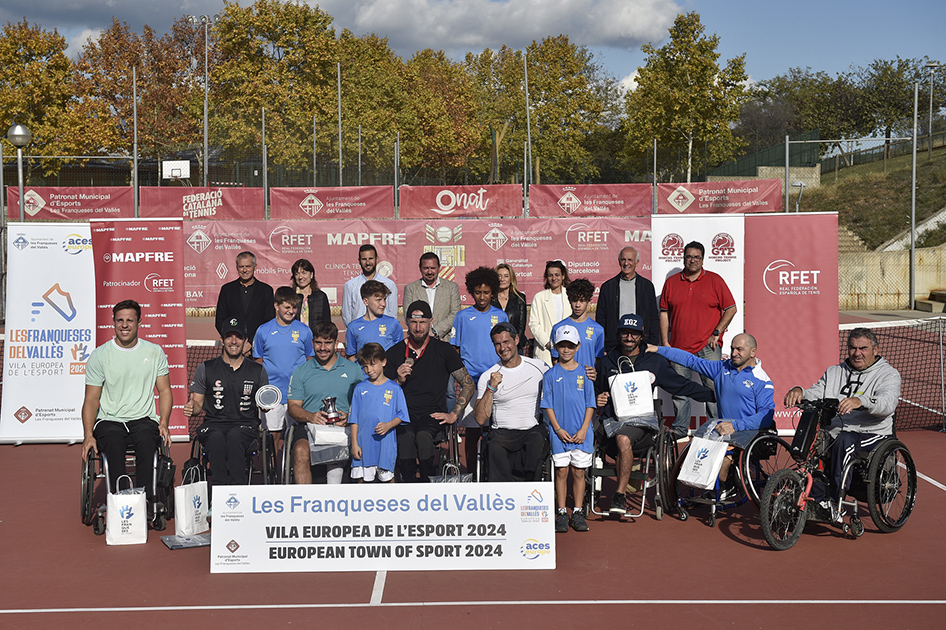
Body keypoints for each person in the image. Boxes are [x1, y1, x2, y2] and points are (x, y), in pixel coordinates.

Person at [596, 314, 715, 516]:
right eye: (625, 333)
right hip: (610, 421)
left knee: (623, 438)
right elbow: (597, 390)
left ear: (641, 336)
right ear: (619, 335)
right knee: (580, 436)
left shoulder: (654, 362)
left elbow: (681, 385)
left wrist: (715, 395)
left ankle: (619, 496)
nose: (629, 338)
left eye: (634, 334)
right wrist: (599, 397)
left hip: (639, 423)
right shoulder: (607, 361)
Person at [784, 328, 900, 513]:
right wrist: (800, 391)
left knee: (844, 440)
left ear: (875, 350)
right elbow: (817, 391)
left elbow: (887, 403)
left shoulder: (888, 374)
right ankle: (810, 493)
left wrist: (860, 401)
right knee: (812, 436)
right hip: (837, 429)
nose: (857, 353)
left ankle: (834, 502)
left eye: (863, 348)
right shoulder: (834, 372)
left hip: (872, 431)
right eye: (852, 348)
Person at [648, 332, 774, 499]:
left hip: (750, 431)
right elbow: (690, 360)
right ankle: (700, 486)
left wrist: (736, 426)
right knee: (698, 450)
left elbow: (766, 415)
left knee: (722, 456)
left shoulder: (762, 380)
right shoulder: (722, 368)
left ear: (753, 352)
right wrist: (658, 349)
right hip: (724, 430)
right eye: (732, 348)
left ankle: (725, 485)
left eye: (739, 349)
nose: (734, 353)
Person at [81, 300, 172, 518]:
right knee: (112, 441)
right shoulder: (100, 355)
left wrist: (164, 423)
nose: (124, 325)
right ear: (113, 322)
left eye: (129, 320)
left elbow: (165, 390)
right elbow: (91, 399)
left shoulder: (154, 352)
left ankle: (145, 501)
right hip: (110, 420)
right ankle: (120, 501)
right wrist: (87, 435)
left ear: (139, 322)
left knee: (147, 442)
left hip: (143, 418)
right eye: (120, 320)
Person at [385, 301, 476, 482]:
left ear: (431, 322)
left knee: (423, 436)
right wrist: (398, 381)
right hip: (404, 414)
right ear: (407, 322)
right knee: (406, 436)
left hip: (433, 414)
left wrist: (453, 415)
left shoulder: (443, 350)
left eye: (423, 322)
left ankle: (429, 486)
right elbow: (382, 391)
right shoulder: (394, 353)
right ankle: (408, 485)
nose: (418, 328)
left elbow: (468, 384)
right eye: (414, 322)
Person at [659, 241, 737, 437]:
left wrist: (717, 332)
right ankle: (680, 429)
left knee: (713, 389)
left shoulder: (715, 280)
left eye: (697, 257)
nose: (692, 260)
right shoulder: (672, 282)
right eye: (689, 256)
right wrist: (665, 343)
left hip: (707, 346)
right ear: (683, 258)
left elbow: (731, 308)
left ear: (703, 259)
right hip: (679, 347)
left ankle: (716, 427)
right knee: (679, 391)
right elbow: (663, 312)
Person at [184, 319, 268, 485]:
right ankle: (218, 491)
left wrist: (266, 406)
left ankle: (238, 490)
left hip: (245, 425)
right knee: (215, 437)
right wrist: (192, 408)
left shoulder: (257, 370)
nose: (234, 341)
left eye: (238, 337)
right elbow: (198, 404)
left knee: (234, 436)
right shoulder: (205, 368)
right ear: (222, 340)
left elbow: (264, 402)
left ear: (245, 341)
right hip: (214, 424)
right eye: (229, 337)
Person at [287, 322, 364, 484]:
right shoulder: (301, 371)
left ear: (336, 343)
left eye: (328, 343)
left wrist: (350, 417)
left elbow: (364, 403)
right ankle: (305, 502)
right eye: (318, 343)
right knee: (300, 449)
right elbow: (293, 407)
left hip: (346, 426)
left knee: (367, 441)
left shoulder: (353, 370)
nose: (323, 348)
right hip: (309, 425)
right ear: (313, 343)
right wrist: (310, 416)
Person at [451, 266, 509, 479]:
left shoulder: (501, 315)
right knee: (473, 430)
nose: (482, 297)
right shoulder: (462, 316)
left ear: (493, 292)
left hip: (495, 381)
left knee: (495, 430)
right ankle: (470, 475)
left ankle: (491, 473)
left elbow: (508, 348)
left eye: (486, 292)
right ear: (471, 292)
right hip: (471, 382)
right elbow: (455, 350)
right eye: (478, 292)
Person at [474, 322, 549, 482]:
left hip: (531, 430)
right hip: (502, 433)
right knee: (494, 448)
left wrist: (586, 375)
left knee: (537, 442)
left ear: (516, 340)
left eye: (506, 342)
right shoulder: (488, 375)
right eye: (497, 344)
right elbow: (480, 419)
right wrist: (490, 389)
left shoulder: (539, 367)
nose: (502, 348)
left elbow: (562, 381)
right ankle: (502, 498)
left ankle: (532, 494)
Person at [542, 325, 595, 533]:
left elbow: (590, 404)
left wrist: (583, 430)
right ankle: (562, 511)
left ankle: (579, 511)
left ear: (578, 346)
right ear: (555, 347)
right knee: (562, 471)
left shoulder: (586, 374)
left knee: (579, 472)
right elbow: (547, 405)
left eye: (570, 346)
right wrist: (558, 429)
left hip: (582, 433)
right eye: (562, 346)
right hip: (559, 434)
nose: (566, 350)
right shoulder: (550, 375)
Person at [253, 287, 314, 434]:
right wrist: (263, 389)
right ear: (276, 306)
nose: (291, 311)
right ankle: (274, 458)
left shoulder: (304, 330)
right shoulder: (263, 330)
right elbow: (258, 361)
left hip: (297, 394)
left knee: (298, 435)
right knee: (273, 435)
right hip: (272, 393)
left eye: (294, 307)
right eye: (287, 307)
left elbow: (310, 359)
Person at [349, 343, 409, 483]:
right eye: (365, 366)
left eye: (373, 364)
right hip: (363, 445)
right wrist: (354, 444)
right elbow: (354, 419)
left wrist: (388, 425)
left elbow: (402, 415)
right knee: (362, 482)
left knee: (388, 480)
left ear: (383, 362)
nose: (369, 370)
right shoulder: (359, 389)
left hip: (385, 445)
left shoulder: (395, 388)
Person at [595, 246, 659, 352]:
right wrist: (603, 346)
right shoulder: (608, 287)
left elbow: (653, 318)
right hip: (614, 345)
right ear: (619, 261)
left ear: (637, 262)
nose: (626, 263)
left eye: (630, 260)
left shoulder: (647, 286)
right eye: (623, 259)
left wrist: (652, 343)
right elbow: (601, 319)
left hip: (641, 345)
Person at [215, 251, 275, 353]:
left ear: (255, 267)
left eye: (248, 266)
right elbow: (220, 320)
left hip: (258, 349)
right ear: (237, 268)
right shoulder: (227, 289)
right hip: (233, 349)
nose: (244, 270)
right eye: (241, 266)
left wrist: (251, 343)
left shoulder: (266, 290)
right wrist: (236, 342)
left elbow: (269, 321)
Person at [401, 252, 461, 341]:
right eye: (426, 268)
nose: (429, 272)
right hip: (418, 340)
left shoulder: (451, 287)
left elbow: (455, 313)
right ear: (420, 268)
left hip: (443, 339)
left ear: (439, 267)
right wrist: (424, 332)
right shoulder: (411, 288)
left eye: (433, 268)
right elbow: (408, 315)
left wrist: (435, 331)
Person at [550, 278, 604, 376]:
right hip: (565, 380)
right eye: (574, 300)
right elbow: (555, 358)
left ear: (589, 301)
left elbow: (598, 359)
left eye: (582, 301)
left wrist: (594, 373)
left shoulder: (598, 329)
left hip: (587, 380)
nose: (577, 305)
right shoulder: (558, 328)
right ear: (569, 300)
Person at [341, 244, 398, 325]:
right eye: (364, 259)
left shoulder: (389, 284)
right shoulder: (350, 285)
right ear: (359, 261)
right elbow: (347, 315)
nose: (367, 263)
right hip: (359, 332)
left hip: (382, 331)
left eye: (370, 258)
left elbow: (392, 314)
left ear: (376, 259)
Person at [345, 280, 404, 357]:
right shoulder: (353, 326)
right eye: (379, 300)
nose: (383, 304)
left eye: (384, 299)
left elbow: (400, 351)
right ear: (366, 301)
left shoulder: (393, 323)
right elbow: (351, 355)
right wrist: (360, 368)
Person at [529, 260, 572, 366]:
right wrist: (548, 344)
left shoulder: (571, 296)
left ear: (563, 276)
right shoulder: (539, 297)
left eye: (557, 275)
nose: (554, 278)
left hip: (568, 349)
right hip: (545, 351)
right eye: (550, 275)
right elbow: (534, 324)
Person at [291, 258, 332, 339]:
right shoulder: (291, 296)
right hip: (295, 340)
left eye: (304, 273)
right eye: (297, 274)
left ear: (311, 275)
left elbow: (327, 323)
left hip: (315, 341)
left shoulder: (321, 296)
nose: (300, 277)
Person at [493, 263, 528, 354]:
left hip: (514, 346)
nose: (502, 279)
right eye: (499, 276)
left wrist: (513, 344)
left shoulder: (520, 298)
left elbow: (521, 326)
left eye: (506, 276)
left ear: (511, 279)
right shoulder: (490, 299)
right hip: (495, 346)